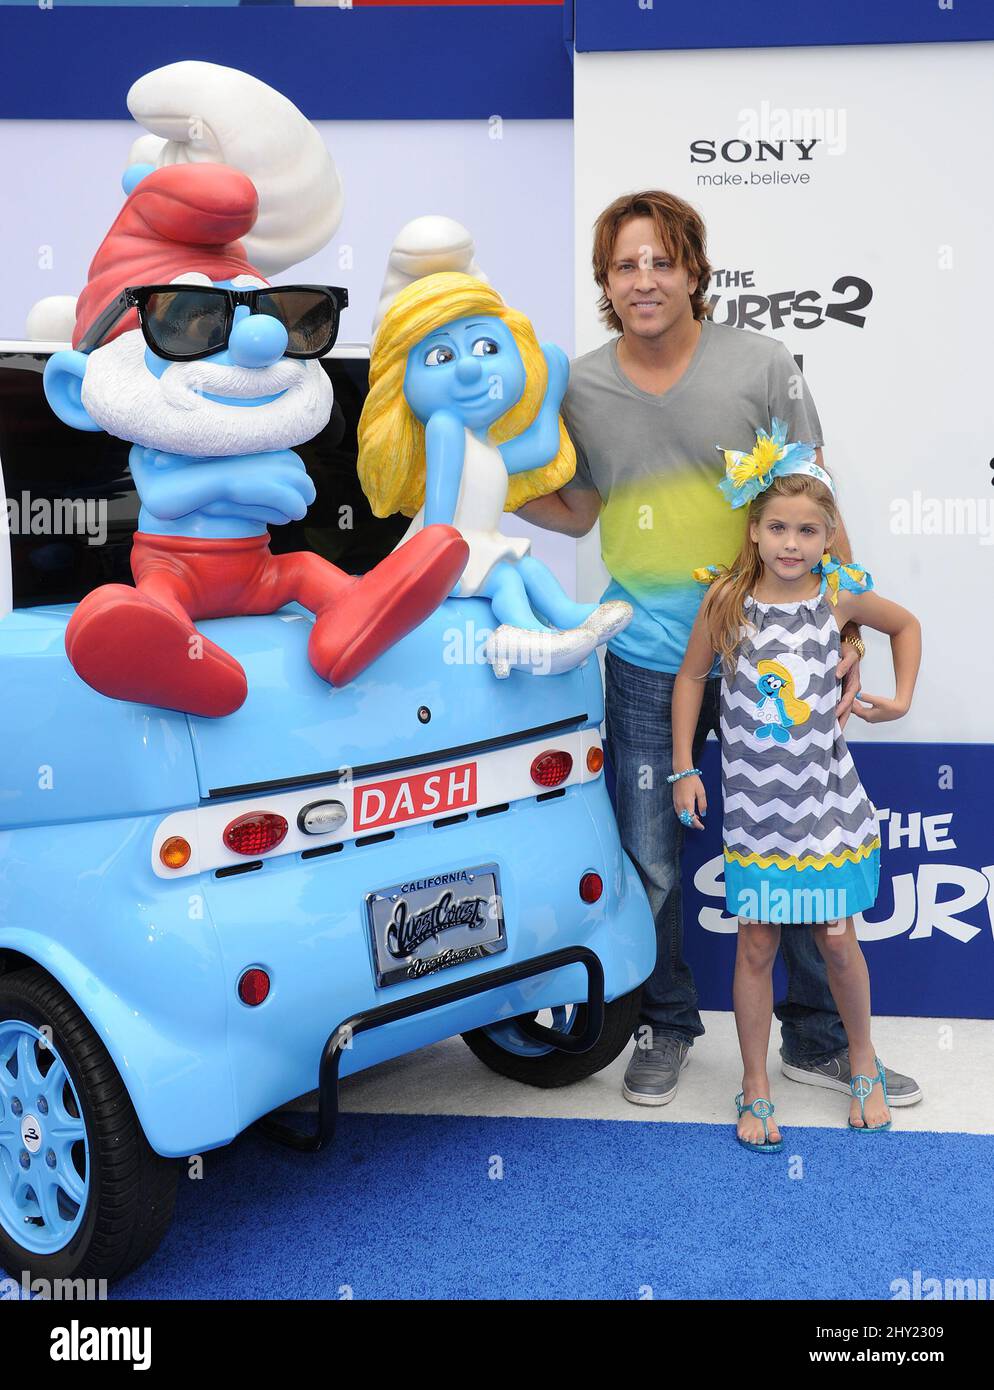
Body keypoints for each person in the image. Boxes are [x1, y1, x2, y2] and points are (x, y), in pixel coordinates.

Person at [517, 189, 924, 1108]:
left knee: (808, 848)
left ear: (696, 270)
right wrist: (484, 486)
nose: (646, 279)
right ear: (605, 283)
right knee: (651, 854)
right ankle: (666, 1024)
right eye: (627, 265)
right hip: (650, 657)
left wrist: (848, 621)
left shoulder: (763, 364)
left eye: (662, 260)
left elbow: (812, 494)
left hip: (775, 661)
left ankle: (818, 1041)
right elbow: (579, 508)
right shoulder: (580, 385)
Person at [671, 457, 921, 1146]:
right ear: (752, 530)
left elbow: (904, 626)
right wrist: (682, 768)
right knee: (755, 945)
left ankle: (861, 1062)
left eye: (808, 530)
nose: (791, 543)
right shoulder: (726, 600)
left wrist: (898, 701)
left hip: (827, 811)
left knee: (839, 942)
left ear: (829, 534)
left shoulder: (837, 598)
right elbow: (691, 680)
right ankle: (755, 1085)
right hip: (756, 817)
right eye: (777, 527)